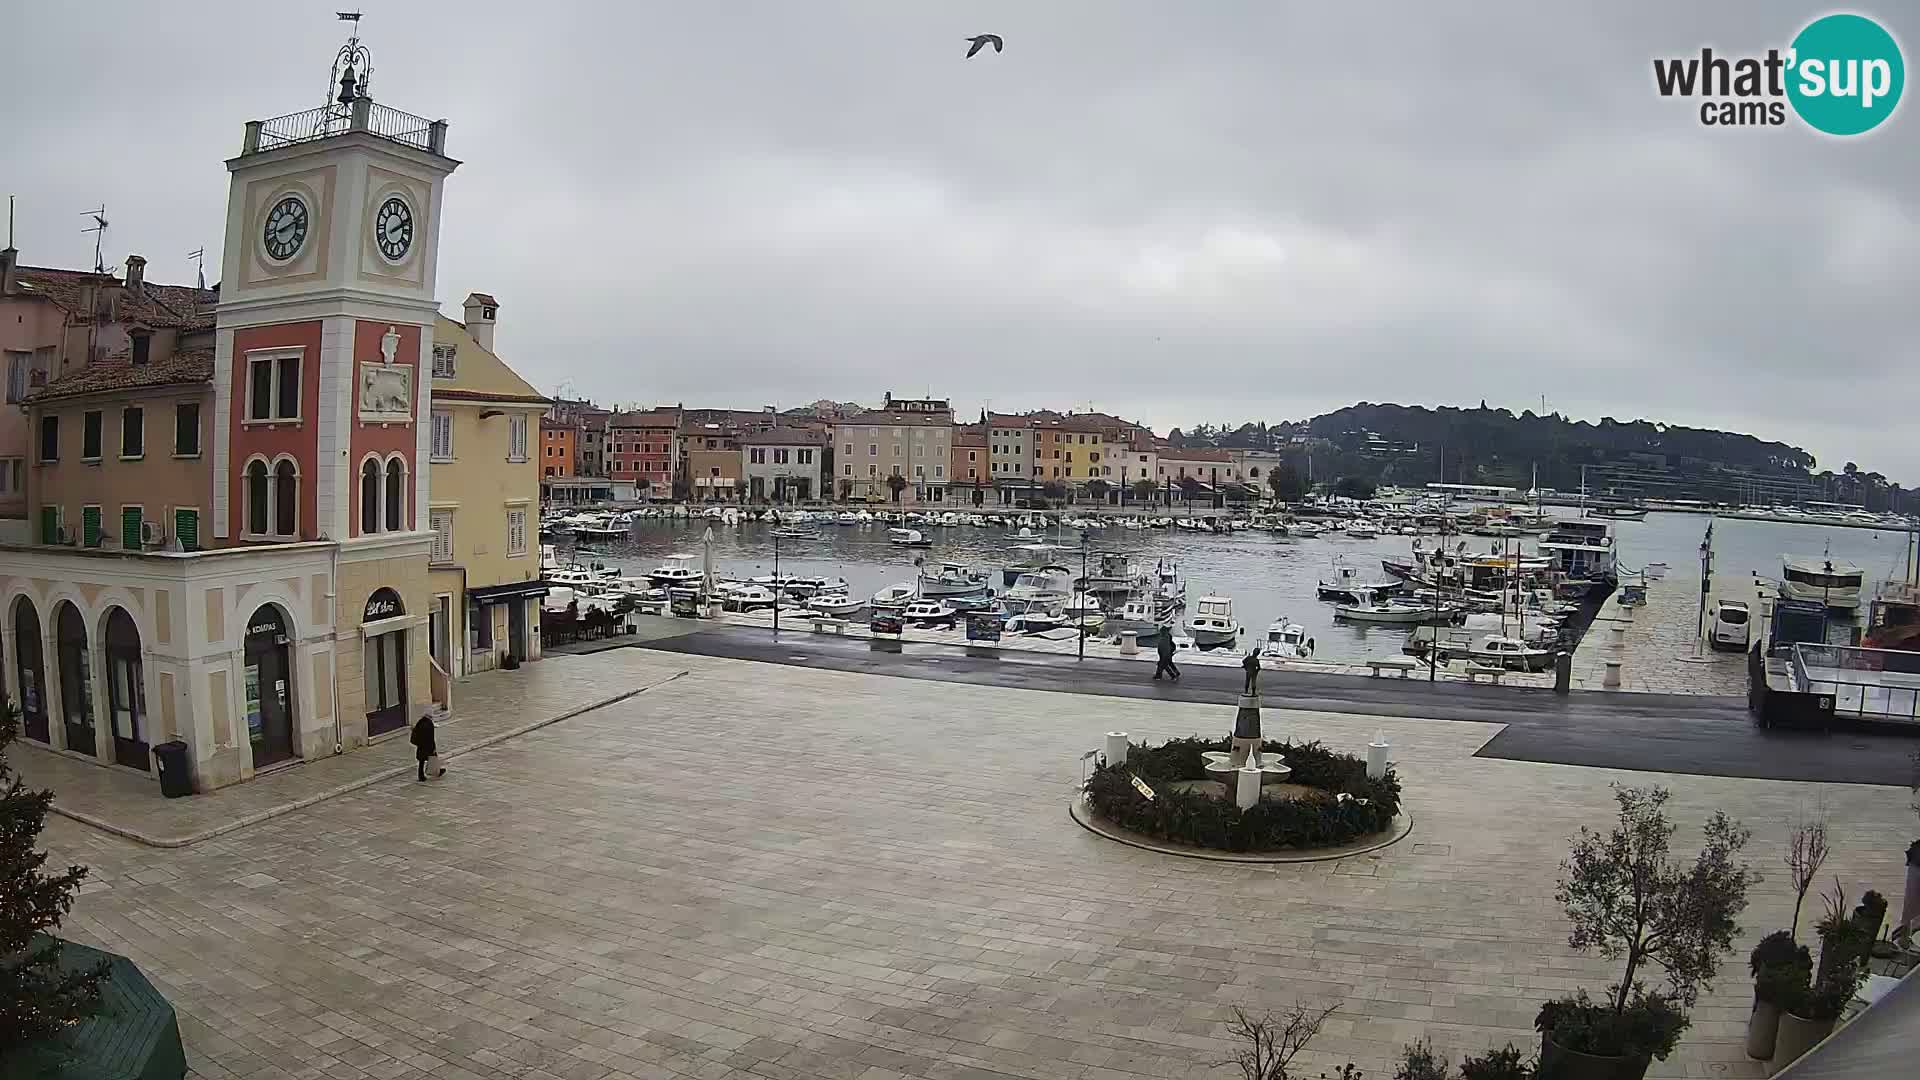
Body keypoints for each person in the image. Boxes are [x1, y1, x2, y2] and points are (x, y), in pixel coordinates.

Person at [410, 712, 437, 781]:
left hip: (421, 746)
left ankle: (421, 776)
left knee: (421, 762)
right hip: (428, 746)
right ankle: (436, 771)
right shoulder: (429, 724)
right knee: (433, 757)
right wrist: (433, 747)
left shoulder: (420, 722)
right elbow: (431, 737)